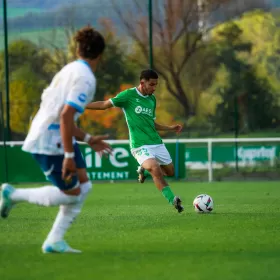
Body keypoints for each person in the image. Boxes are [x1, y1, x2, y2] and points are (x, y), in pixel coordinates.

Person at [0, 26, 112, 253]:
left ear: (78, 50)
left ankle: (54, 241)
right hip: (49, 140)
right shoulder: (85, 78)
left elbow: (64, 117)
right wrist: (69, 156)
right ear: (100, 55)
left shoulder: (70, 69)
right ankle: (13, 194)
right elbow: (66, 116)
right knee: (72, 194)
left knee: (84, 186)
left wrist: (89, 138)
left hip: (55, 133)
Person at [86, 69, 184, 213]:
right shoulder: (128, 95)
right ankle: (173, 200)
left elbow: (151, 123)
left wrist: (170, 128)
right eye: (151, 84)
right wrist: (81, 106)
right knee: (155, 169)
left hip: (156, 142)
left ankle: (143, 170)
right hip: (139, 144)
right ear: (142, 82)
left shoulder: (152, 99)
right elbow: (104, 105)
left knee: (170, 172)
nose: (154, 88)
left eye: (156, 85)